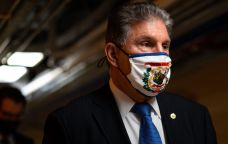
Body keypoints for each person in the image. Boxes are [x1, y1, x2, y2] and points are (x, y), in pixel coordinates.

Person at [43, 2, 217, 144]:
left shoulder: (195, 116)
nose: (161, 55)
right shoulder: (70, 123)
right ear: (113, 54)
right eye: (147, 43)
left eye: (165, 46)